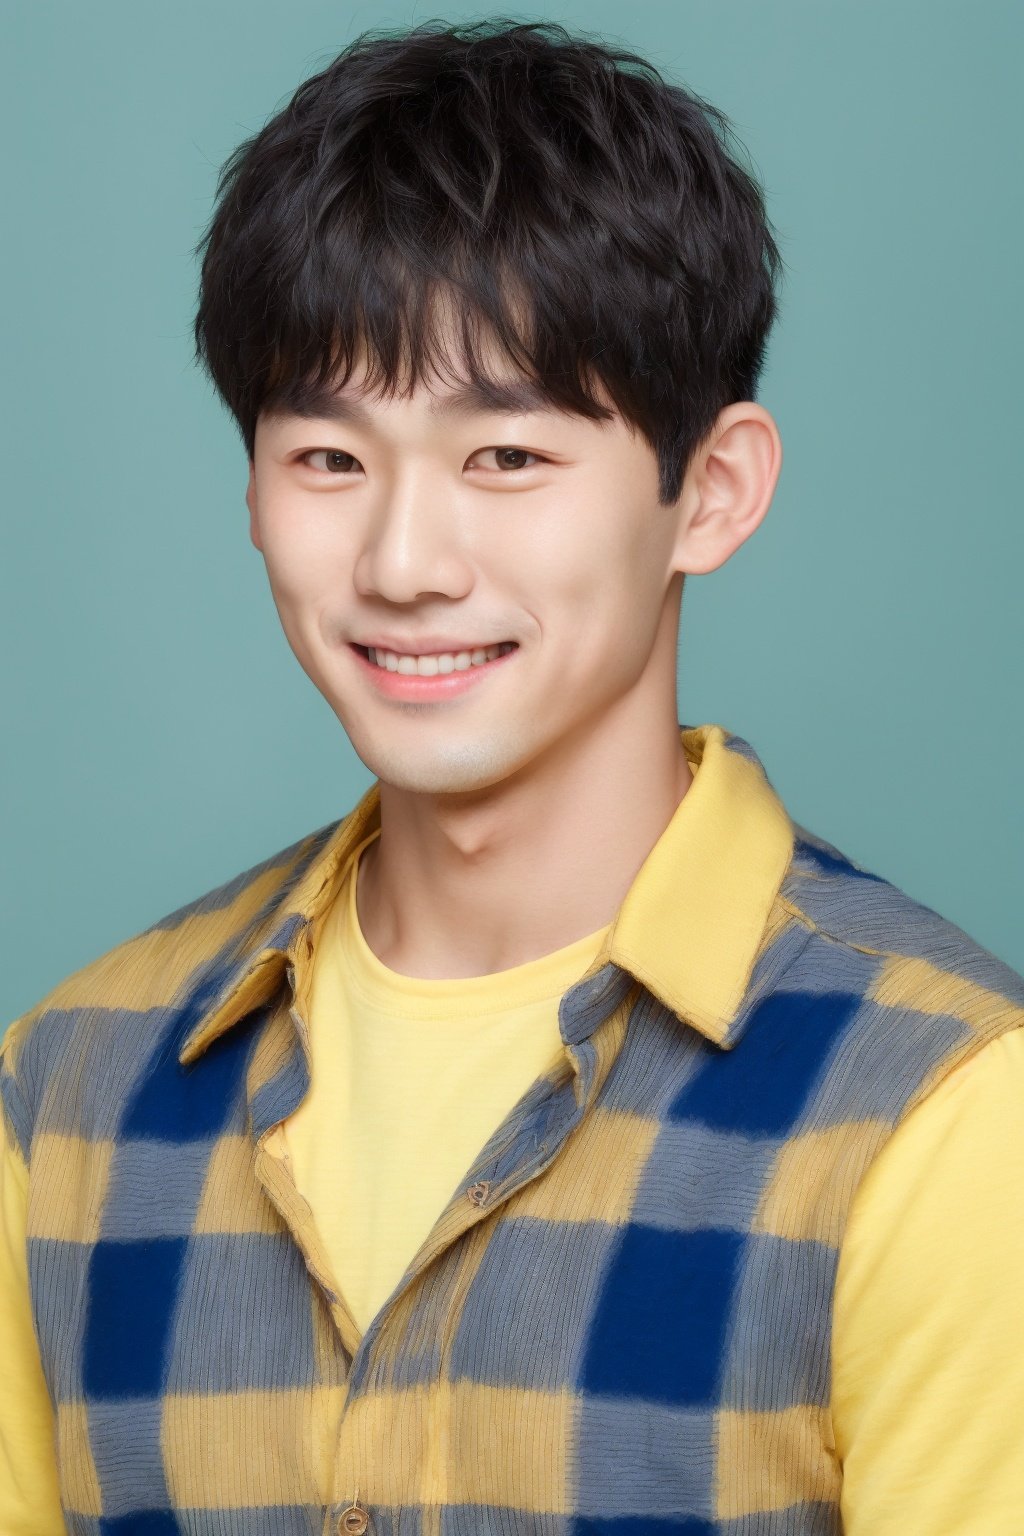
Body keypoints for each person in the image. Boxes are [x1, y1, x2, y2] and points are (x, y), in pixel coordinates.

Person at [2, 18, 1022, 1535]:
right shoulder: (67, 1088)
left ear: (712, 494)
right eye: (329, 461)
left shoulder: (943, 1112)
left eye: (509, 460)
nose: (404, 564)